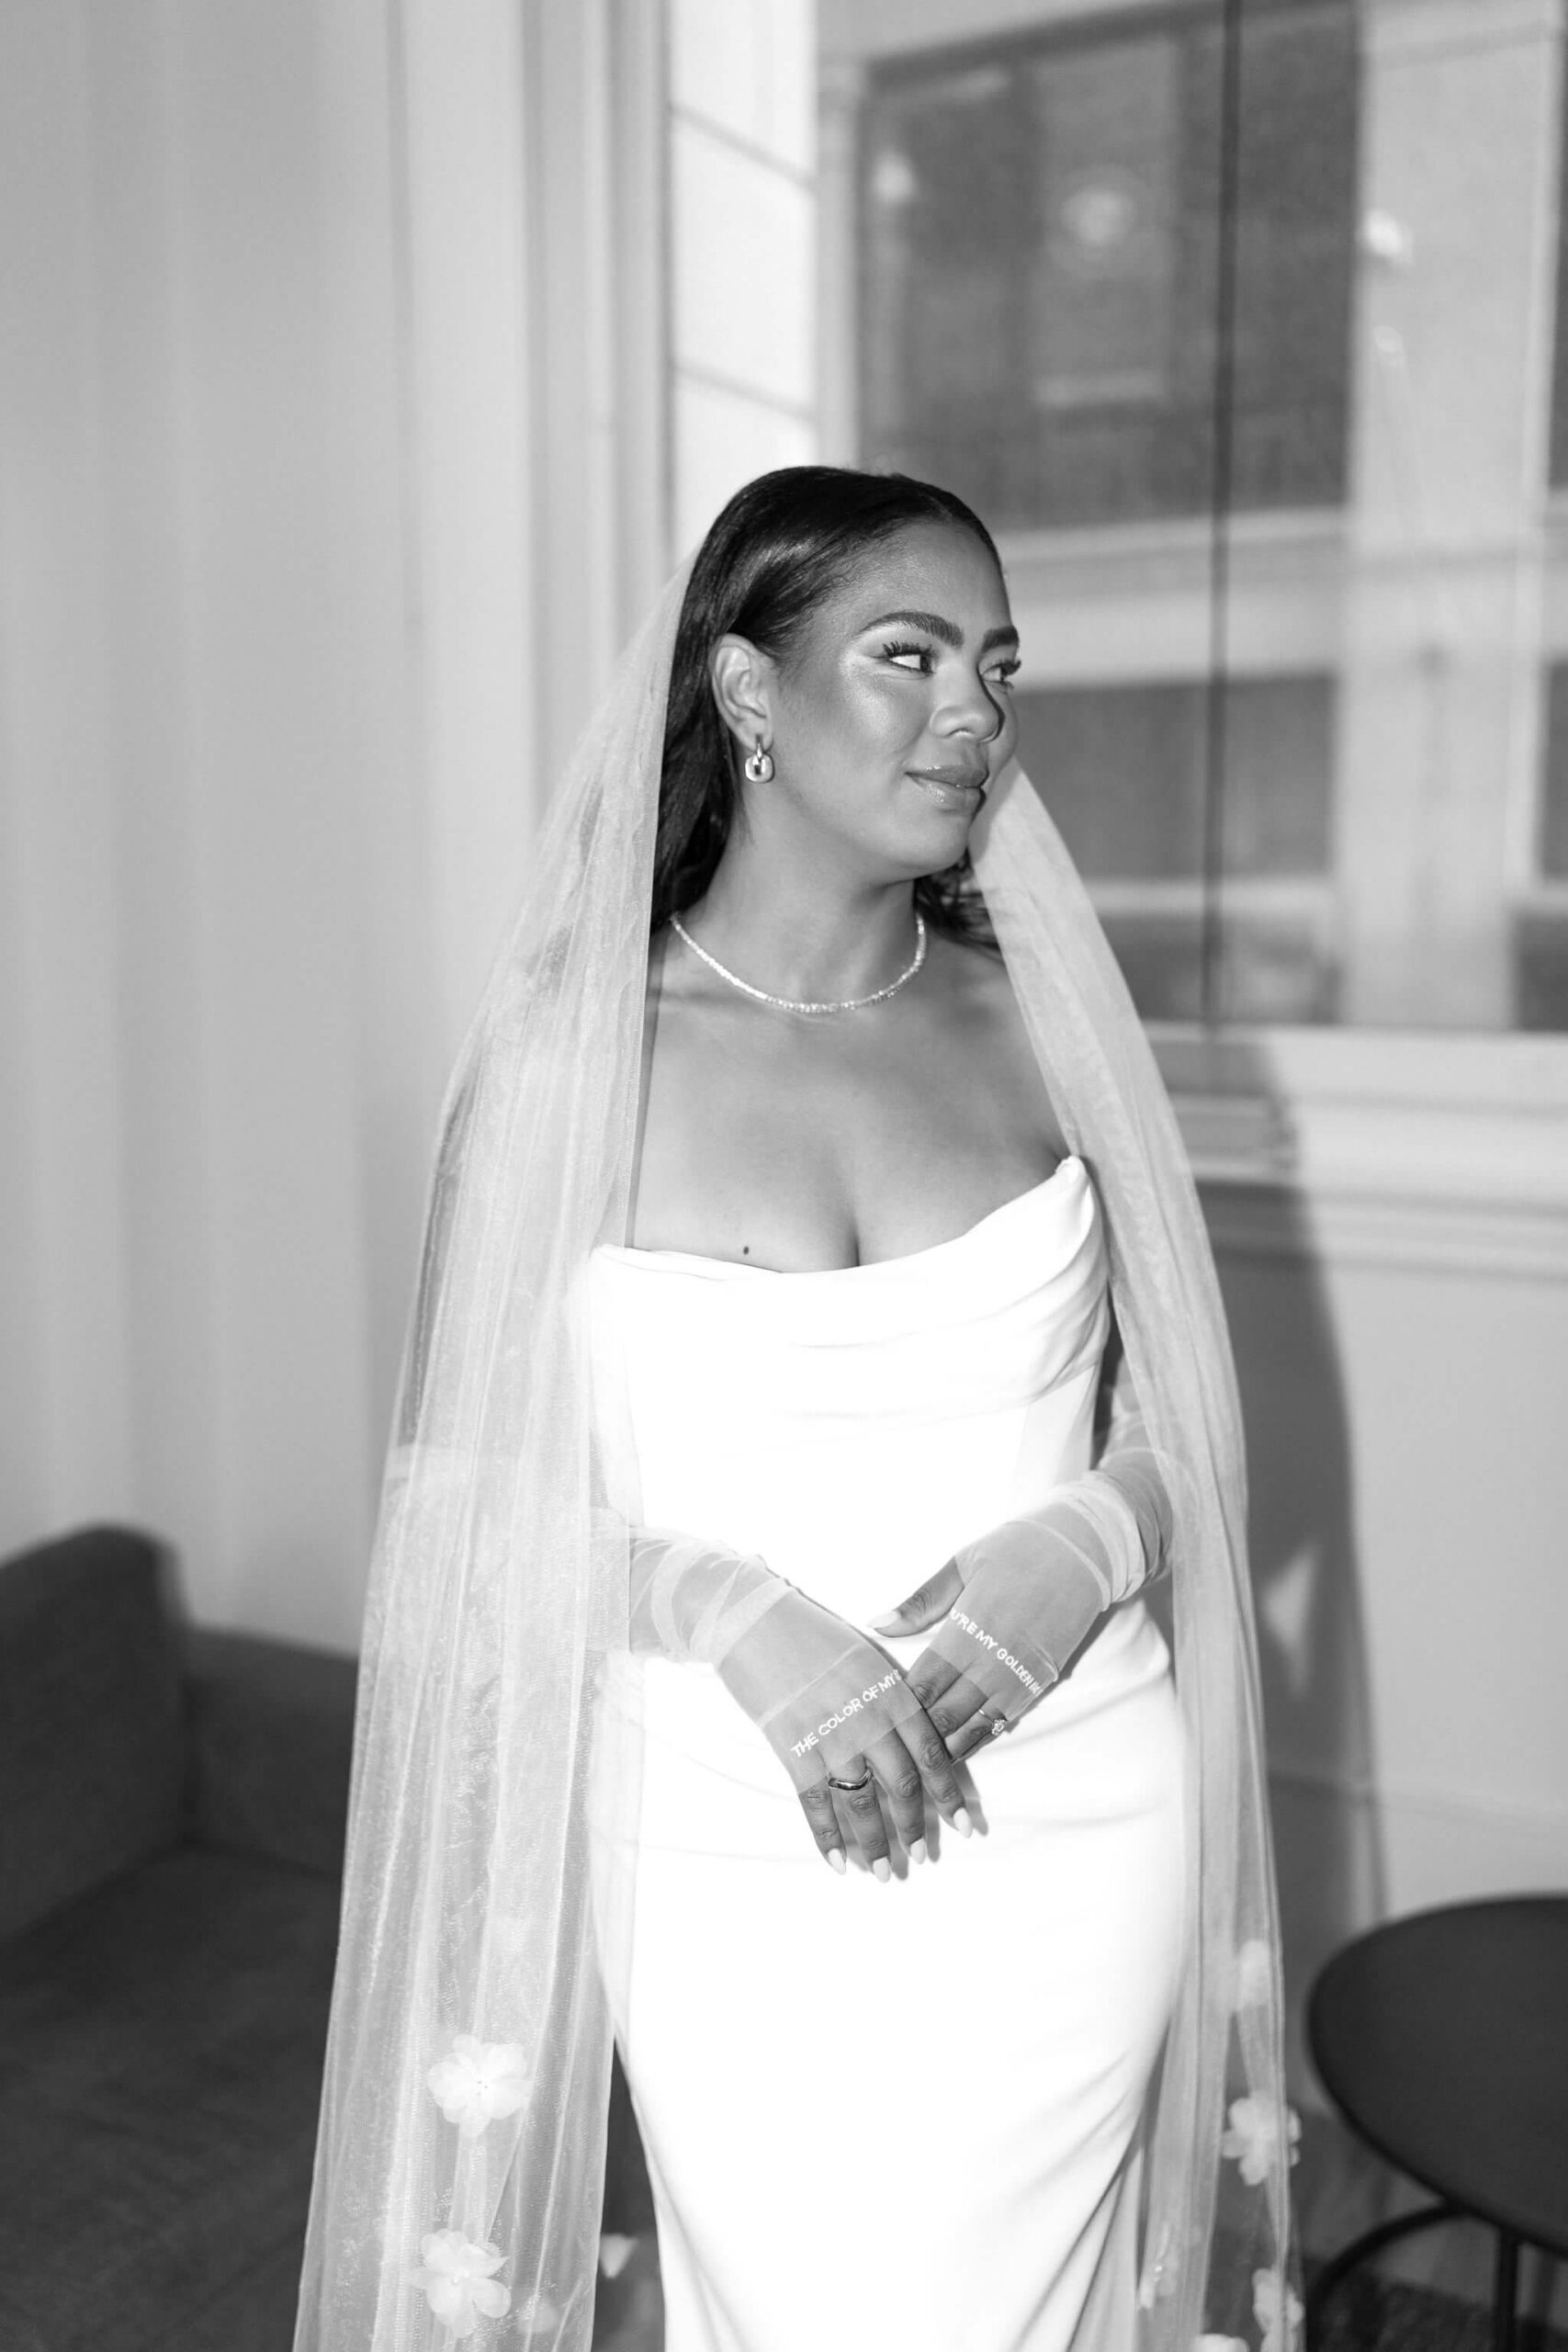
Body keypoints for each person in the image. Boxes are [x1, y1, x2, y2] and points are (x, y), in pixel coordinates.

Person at [295, 469, 1296, 2352]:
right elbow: (449, 1516)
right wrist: (719, 1606)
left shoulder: (1044, 1028)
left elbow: (1188, 1419)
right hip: (725, 1848)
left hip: (1079, 1812)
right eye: (903, 657)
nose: (971, 715)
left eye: (993, 666)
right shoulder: (568, 1063)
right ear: (748, 694)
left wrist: (1088, 1538)